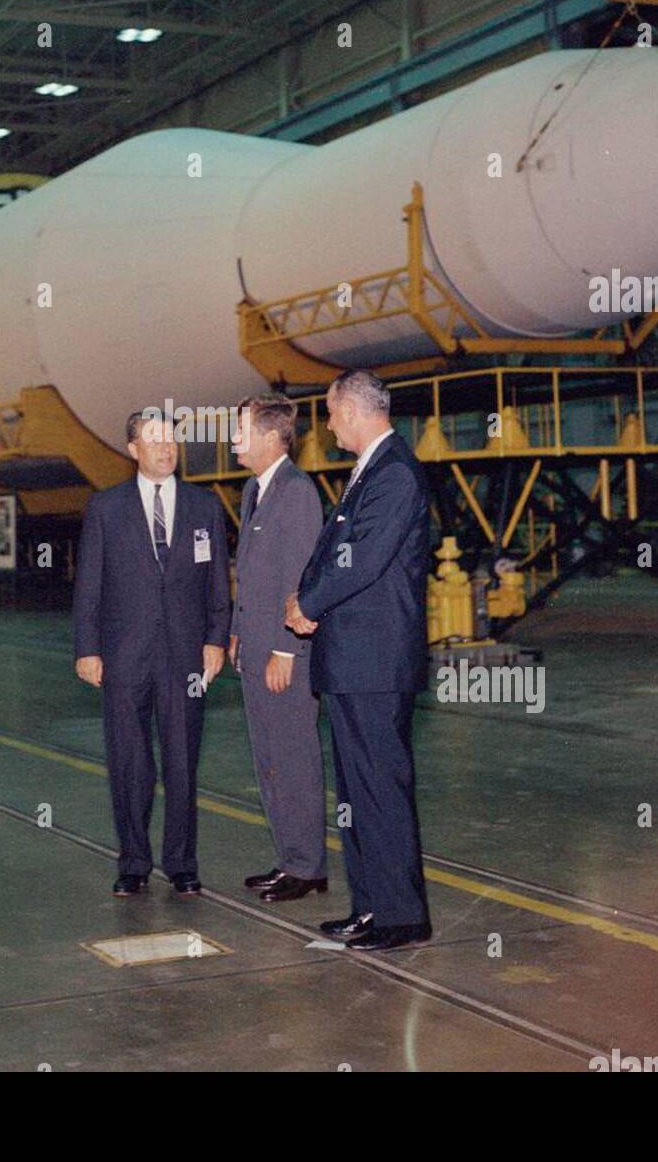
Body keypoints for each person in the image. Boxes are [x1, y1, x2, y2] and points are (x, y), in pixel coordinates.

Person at [286, 369, 432, 952]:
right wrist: (303, 597)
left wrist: (310, 603)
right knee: (356, 793)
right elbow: (337, 548)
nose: (326, 424)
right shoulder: (372, 470)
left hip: (375, 662)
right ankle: (371, 906)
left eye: (329, 412)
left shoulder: (394, 472)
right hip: (352, 661)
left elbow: (363, 559)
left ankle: (403, 916)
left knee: (380, 787)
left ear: (351, 410)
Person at [72, 411, 230, 896]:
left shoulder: (205, 506)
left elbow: (218, 580)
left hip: (186, 655)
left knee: (182, 759)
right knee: (129, 761)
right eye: (154, 440)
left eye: (172, 440)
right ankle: (133, 862)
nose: (166, 449)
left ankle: (182, 862)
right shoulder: (106, 508)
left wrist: (216, 639)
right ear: (133, 449)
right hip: (124, 655)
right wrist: (87, 648)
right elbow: (89, 584)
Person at [230, 393, 328, 902]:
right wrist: (237, 629)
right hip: (255, 648)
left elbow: (300, 577)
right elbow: (249, 572)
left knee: (293, 757)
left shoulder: (295, 491)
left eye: (241, 430)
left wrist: (286, 651)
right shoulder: (254, 490)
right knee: (268, 758)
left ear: (272, 437)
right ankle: (290, 857)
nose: (232, 440)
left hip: (283, 657)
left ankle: (309, 866)